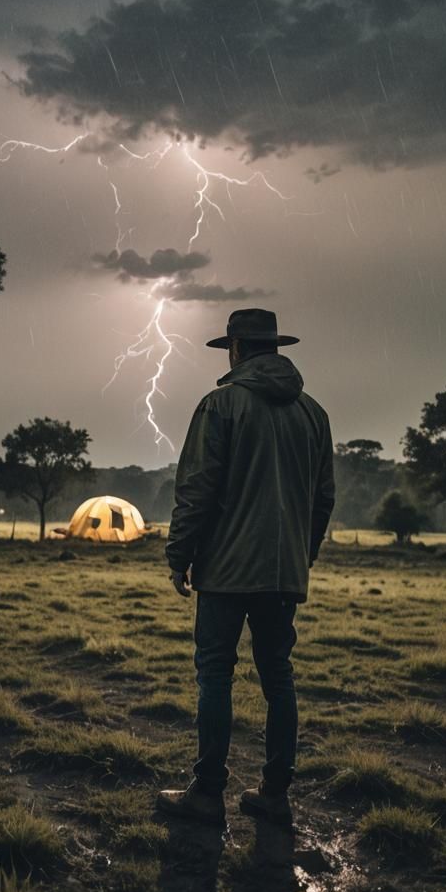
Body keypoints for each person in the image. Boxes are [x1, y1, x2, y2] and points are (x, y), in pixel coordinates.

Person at [156, 308, 334, 826]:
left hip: (227, 572)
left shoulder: (221, 405)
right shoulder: (314, 414)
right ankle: (275, 794)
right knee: (279, 676)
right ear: (275, 348)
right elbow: (323, 499)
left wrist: (178, 555)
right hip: (283, 573)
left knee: (215, 674)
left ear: (235, 349)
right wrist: (303, 555)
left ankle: (207, 793)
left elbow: (196, 489)